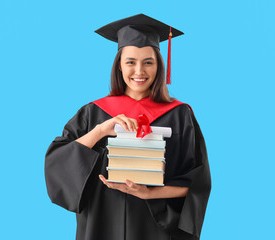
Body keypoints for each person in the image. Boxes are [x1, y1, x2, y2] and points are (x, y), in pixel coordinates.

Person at [45, 14, 211, 240]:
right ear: (119, 66)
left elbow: (197, 184)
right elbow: (58, 164)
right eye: (130, 62)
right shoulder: (92, 113)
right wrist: (100, 131)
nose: (139, 71)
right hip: (101, 226)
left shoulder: (180, 115)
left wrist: (148, 193)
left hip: (155, 231)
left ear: (159, 65)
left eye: (148, 62)